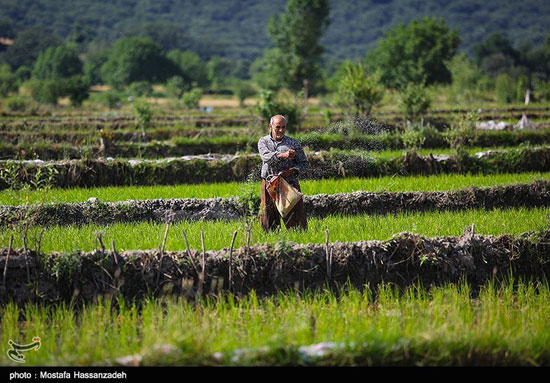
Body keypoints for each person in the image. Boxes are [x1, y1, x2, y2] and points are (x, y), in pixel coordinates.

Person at [257, 114, 308, 231]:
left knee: (295, 213)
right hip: (269, 183)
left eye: (283, 127)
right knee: (268, 214)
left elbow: (303, 164)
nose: (281, 130)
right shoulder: (263, 141)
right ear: (270, 126)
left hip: (289, 183)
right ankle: (270, 239)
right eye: (277, 127)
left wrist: (292, 171)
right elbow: (266, 157)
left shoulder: (293, 143)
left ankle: (299, 237)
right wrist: (283, 155)